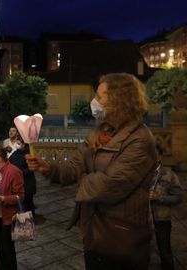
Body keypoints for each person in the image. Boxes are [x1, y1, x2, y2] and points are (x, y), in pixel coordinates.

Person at [27, 73, 157, 269]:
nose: (94, 102)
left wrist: (82, 177)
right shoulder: (101, 131)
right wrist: (49, 168)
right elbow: (74, 165)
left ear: (119, 100)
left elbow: (109, 185)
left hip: (122, 233)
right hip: (94, 230)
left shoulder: (139, 140)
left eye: (100, 97)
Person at [0, 145, 24, 270]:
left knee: (7, 247)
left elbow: (20, 196)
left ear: (1, 158)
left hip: (7, 215)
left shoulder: (14, 171)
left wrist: (2, 198)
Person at [150, 144, 183, 270]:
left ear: (160, 157)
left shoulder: (169, 174)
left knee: (165, 252)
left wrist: (158, 197)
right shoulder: (140, 174)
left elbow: (179, 197)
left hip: (161, 220)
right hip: (142, 219)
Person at [8, 139, 37, 214]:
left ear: (23, 144)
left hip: (27, 184)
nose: (16, 144)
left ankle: (30, 221)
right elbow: (9, 162)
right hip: (17, 183)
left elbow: (32, 168)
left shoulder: (29, 153)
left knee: (28, 205)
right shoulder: (15, 153)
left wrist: (19, 173)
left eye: (18, 143)